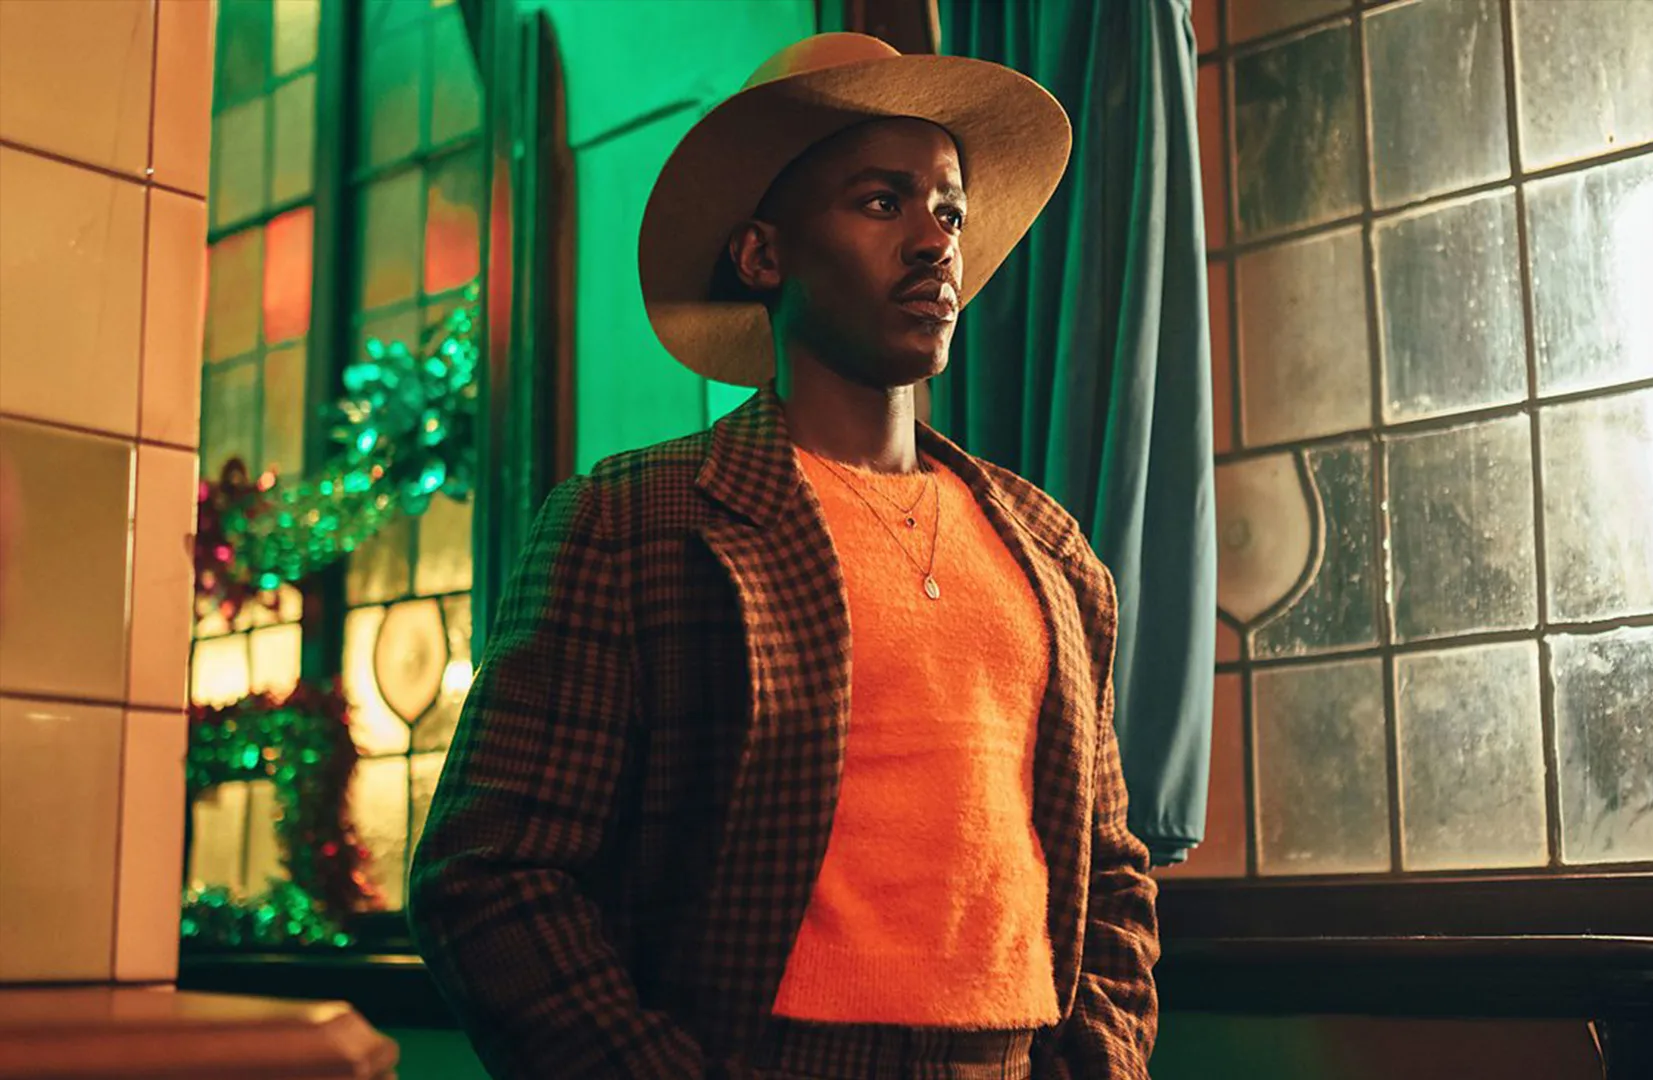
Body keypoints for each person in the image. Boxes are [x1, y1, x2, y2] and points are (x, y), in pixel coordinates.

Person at [409, 32, 1158, 1080]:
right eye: (882, 202)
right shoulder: (634, 521)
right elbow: (487, 874)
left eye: (949, 211)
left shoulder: (1048, 545)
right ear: (762, 256)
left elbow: (1110, 871)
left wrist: (1104, 1062)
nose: (936, 242)